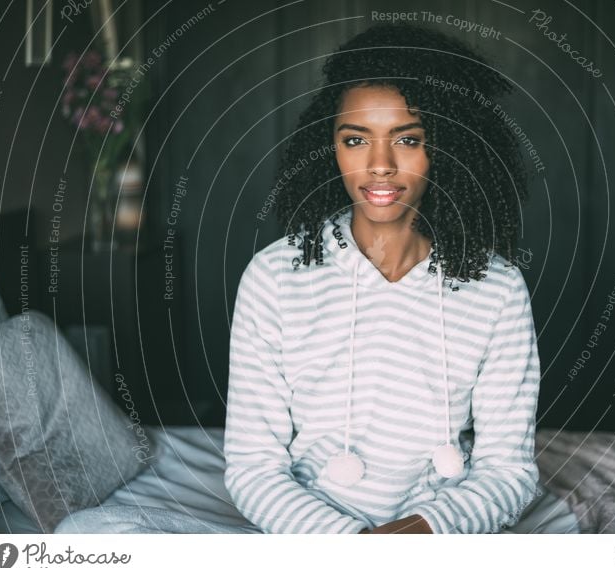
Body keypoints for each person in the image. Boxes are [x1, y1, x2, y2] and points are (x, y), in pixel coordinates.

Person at [224, 22, 543, 534]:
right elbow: (252, 467)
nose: (379, 166)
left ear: (449, 147)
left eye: (407, 140)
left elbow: (508, 472)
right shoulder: (274, 277)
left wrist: (415, 538)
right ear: (331, 147)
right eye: (356, 140)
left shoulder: (497, 289)